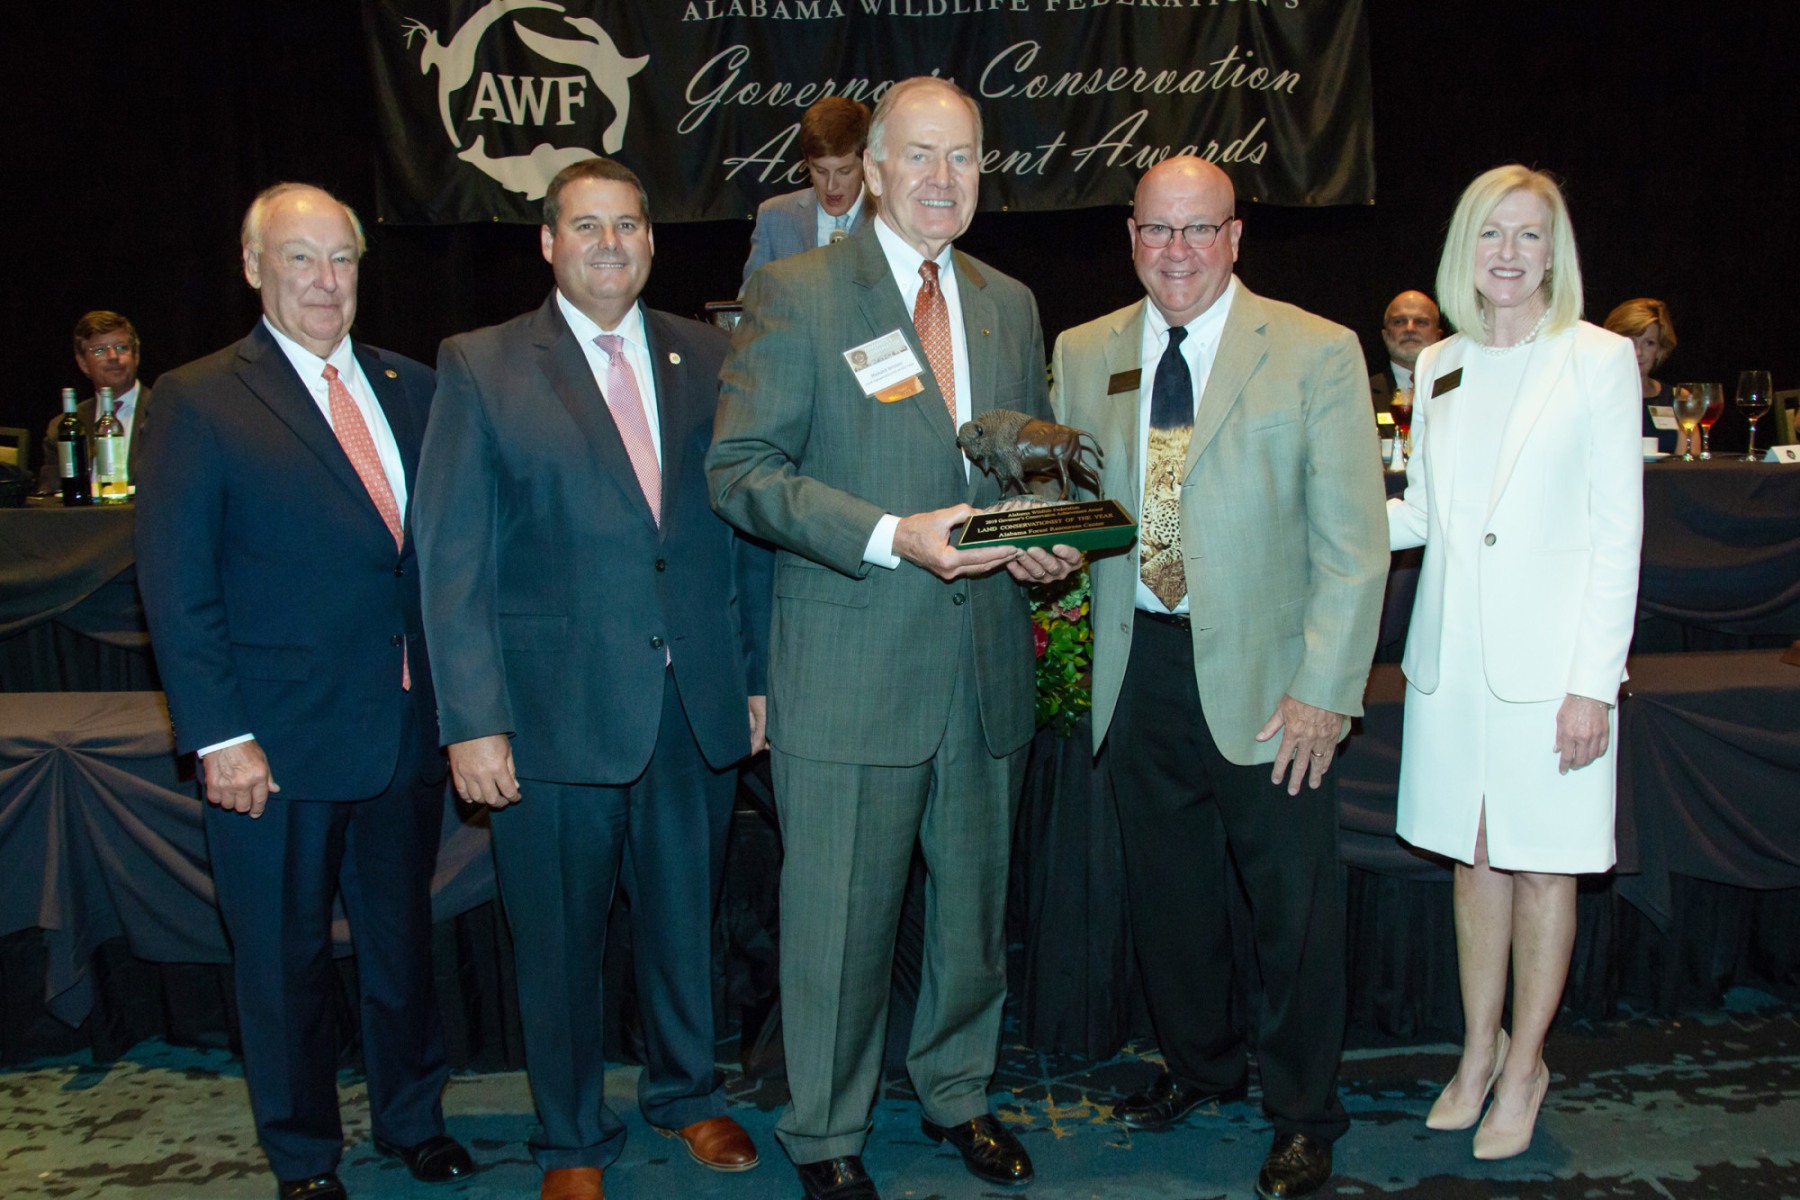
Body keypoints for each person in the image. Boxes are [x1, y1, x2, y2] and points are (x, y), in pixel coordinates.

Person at [706, 76, 1080, 1200]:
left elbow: (1016, 474)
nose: (941, 178)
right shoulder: (798, 292)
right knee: (838, 926)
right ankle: (825, 1132)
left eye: (962, 156)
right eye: (918, 155)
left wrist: (1040, 540)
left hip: (982, 668)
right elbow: (742, 472)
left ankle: (958, 1092)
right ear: (871, 170)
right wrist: (890, 535)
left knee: (972, 923)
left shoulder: (1010, 302)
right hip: (852, 666)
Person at [412, 156, 770, 1200]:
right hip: (549, 720)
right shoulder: (481, 364)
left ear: (651, 239)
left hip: (692, 707)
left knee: (685, 923)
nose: (609, 244)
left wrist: (753, 678)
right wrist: (472, 720)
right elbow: (451, 557)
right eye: (586, 226)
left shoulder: (713, 356)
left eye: (627, 225)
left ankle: (686, 1092)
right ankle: (571, 1139)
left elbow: (743, 536)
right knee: (559, 945)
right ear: (547, 242)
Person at [1050, 155, 1388, 1200]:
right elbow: (1078, 506)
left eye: (1200, 229)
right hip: (1141, 664)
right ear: (1131, 237)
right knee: (1172, 898)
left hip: (1275, 677)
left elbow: (1356, 544)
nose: (1178, 251)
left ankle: (1304, 1113)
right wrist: (1041, 545)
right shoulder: (1084, 351)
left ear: (1236, 237)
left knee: (1293, 911)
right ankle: (1199, 1067)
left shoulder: (1316, 350)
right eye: (1158, 229)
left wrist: (1326, 689)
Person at [133, 183, 472, 1200]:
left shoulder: (414, 387)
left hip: (403, 733)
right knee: (282, 965)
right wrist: (218, 735)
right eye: (300, 259)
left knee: (402, 948)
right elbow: (176, 586)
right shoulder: (197, 399)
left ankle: (414, 1120)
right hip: (272, 750)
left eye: (342, 259)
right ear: (253, 268)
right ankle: (303, 1156)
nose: (325, 282)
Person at [1388, 165, 1642, 1160]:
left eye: (1529, 235)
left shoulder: (1599, 359)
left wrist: (1593, 684)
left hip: (1553, 677)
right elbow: (1420, 511)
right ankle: (1476, 1051)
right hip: (1452, 667)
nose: (1508, 252)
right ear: (1466, 247)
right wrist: (1318, 514)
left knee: (1543, 867)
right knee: (1475, 857)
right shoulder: (1438, 364)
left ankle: (1527, 1064)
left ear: (1554, 253)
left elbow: (1618, 533)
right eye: (1491, 232)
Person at [740, 95, 873, 290]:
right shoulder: (774, 217)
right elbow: (750, 301)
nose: (831, 186)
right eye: (820, 171)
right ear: (806, 163)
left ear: (867, 162)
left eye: (844, 171)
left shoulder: (891, 218)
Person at [39, 310, 152, 494]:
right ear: (83, 363)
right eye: (100, 350)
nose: (113, 356)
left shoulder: (165, 411)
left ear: (136, 355)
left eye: (121, 347)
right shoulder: (64, 427)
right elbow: (50, 495)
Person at [1601, 298, 1696, 456]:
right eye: (1630, 341)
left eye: (1649, 343)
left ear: (1660, 350)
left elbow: (1690, 464)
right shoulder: (1594, 395)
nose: (1638, 352)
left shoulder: (1679, 399)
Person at [1369, 290, 1442, 418]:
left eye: (1420, 322)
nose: (1410, 329)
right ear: (1385, 336)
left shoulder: (1457, 387)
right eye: (1399, 322)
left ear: (1438, 336)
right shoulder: (1363, 391)